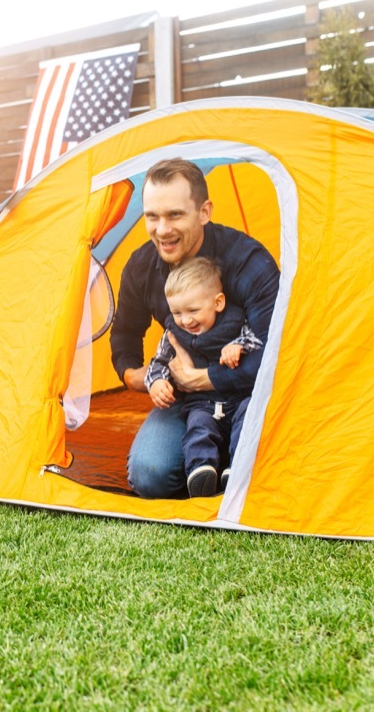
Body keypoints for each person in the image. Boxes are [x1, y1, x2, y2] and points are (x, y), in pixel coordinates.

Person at [110, 158, 280, 499]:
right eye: (152, 217)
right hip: (189, 403)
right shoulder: (141, 266)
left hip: (250, 393)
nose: (162, 229)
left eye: (175, 215)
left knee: (267, 462)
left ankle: (233, 464)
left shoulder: (249, 261)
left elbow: (274, 353)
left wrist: (202, 378)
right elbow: (125, 333)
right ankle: (207, 469)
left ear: (204, 212)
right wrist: (142, 377)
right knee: (150, 474)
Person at [146, 257, 263, 497]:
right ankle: (201, 472)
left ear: (218, 303)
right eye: (177, 312)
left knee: (247, 418)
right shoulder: (174, 333)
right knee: (198, 428)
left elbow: (259, 344)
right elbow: (158, 362)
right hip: (202, 403)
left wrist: (238, 346)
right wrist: (157, 381)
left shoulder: (236, 322)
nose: (185, 320)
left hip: (238, 398)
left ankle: (237, 468)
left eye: (193, 310)